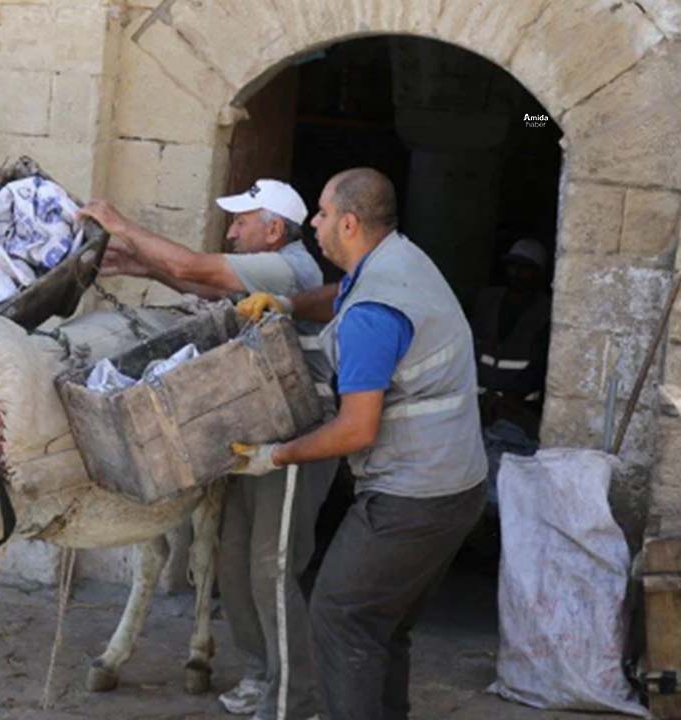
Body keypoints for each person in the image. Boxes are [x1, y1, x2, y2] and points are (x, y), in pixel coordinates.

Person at [233, 168, 488, 720]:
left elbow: (356, 429)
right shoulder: (397, 259)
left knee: (339, 615)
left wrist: (272, 456)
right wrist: (288, 303)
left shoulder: (374, 316)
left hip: (413, 496)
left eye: (322, 214)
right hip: (455, 484)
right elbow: (342, 294)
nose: (315, 224)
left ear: (348, 223)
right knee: (381, 626)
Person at [81, 179, 335, 720]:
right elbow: (208, 288)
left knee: (273, 564)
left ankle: (296, 695)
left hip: (299, 433)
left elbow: (198, 269)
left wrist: (122, 225)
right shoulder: (267, 269)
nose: (232, 228)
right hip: (259, 430)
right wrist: (142, 268)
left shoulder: (289, 268)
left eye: (243, 220)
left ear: (273, 230)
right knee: (235, 556)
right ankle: (260, 672)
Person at [471, 238, 551, 440]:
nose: (516, 273)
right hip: (478, 404)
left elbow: (542, 363)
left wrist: (512, 398)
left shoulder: (547, 311)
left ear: (538, 273)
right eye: (512, 266)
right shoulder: (487, 300)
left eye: (524, 268)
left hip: (520, 410)